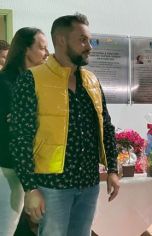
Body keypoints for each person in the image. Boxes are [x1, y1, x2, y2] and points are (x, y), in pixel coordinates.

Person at [10, 13, 120, 236]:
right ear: (61, 40)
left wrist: (113, 169)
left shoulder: (92, 81)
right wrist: (30, 188)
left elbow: (106, 126)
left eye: (89, 40)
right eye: (82, 40)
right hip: (52, 186)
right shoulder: (32, 79)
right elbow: (20, 137)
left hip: (89, 185)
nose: (89, 46)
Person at [0, 27, 49, 236]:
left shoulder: (34, 81)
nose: (46, 53)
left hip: (30, 171)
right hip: (7, 169)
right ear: (25, 49)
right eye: (42, 47)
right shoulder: (4, 83)